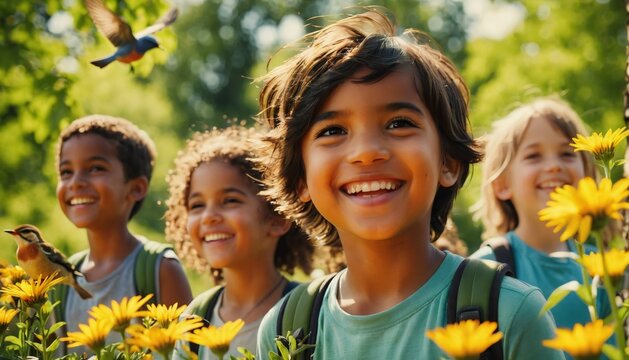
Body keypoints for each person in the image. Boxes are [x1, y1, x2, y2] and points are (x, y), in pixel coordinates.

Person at [255, 9, 564, 359]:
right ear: (300, 179)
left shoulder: (509, 313)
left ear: (448, 161)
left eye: (399, 123)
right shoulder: (285, 332)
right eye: (333, 131)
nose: (366, 152)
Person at [165, 126, 319, 359]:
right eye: (197, 205)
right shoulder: (194, 317)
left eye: (230, 200)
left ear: (277, 218)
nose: (209, 216)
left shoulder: (307, 312)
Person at [54, 114, 192, 355]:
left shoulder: (160, 269)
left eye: (95, 168)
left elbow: (187, 352)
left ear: (136, 188)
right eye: (66, 172)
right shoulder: (62, 278)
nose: (76, 182)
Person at [470, 97, 610, 333]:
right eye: (534, 156)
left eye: (567, 154)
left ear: (587, 173)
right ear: (502, 184)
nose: (554, 166)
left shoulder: (604, 266)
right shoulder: (483, 270)